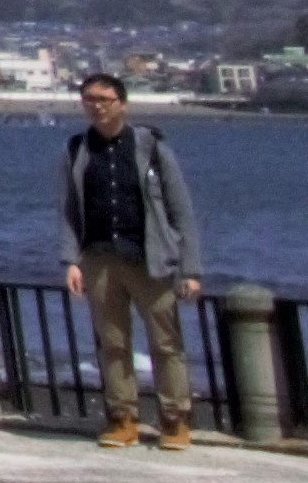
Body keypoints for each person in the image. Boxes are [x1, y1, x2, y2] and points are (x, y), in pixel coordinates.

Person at [58, 70, 207, 447]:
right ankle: (122, 418)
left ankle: (175, 419)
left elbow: (181, 211)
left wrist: (190, 269)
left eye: (104, 100)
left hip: (149, 258)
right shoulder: (77, 150)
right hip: (99, 258)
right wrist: (71, 260)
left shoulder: (151, 148)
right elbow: (69, 209)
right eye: (90, 100)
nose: (97, 107)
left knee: (165, 342)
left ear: (122, 104)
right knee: (112, 342)